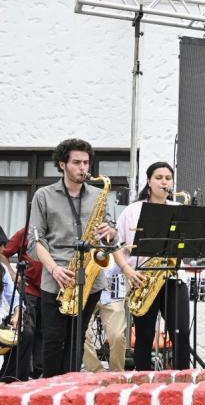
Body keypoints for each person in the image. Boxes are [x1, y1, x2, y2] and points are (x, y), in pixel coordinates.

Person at [30, 138, 115, 377]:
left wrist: (110, 233)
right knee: (54, 340)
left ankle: (71, 394)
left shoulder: (99, 195)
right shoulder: (44, 195)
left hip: (89, 279)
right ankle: (49, 391)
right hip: (57, 277)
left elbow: (112, 238)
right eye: (76, 162)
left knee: (77, 339)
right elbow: (34, 241)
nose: (83, 168)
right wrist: (54, 269)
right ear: (62, 164)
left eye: (86, 163)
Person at [112, 162, 187, 370]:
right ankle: (142, 383)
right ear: (149, 181)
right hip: (143, 280)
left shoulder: (179, 210)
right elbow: (114, 244)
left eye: (168, 178)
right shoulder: (133, 211)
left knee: (181, 332)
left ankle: (182, 381)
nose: (164, 182)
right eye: (159, 177)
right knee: (144, 337)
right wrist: (127, 270)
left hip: (172, 279)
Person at [0, 227, 43, 381]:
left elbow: (13, 295)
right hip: (30, 288)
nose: (2, 250)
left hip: (45, 291)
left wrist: (17, 312)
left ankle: (11, 378)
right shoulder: (24, 232)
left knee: (26, 333)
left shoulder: (2, 270)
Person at [81, 267, 127, 372]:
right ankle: (96, 371)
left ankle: (117, 373)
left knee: (117, 336)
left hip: (113, 291)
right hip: (88, 290)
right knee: (81, 333)